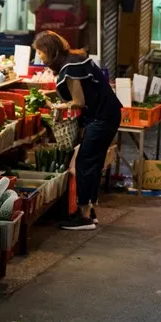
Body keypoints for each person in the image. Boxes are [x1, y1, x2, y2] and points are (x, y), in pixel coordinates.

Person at [33, 31, 122, 230]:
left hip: (101, 117)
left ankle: (83, 218)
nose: (39, 56)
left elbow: (78, 102)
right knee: (94, 161)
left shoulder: (70, 68)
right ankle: (89, 210)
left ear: (50, 51)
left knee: (85, 162)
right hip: (108, 113)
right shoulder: (75, 59)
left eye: (40, 52)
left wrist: (55, 107)